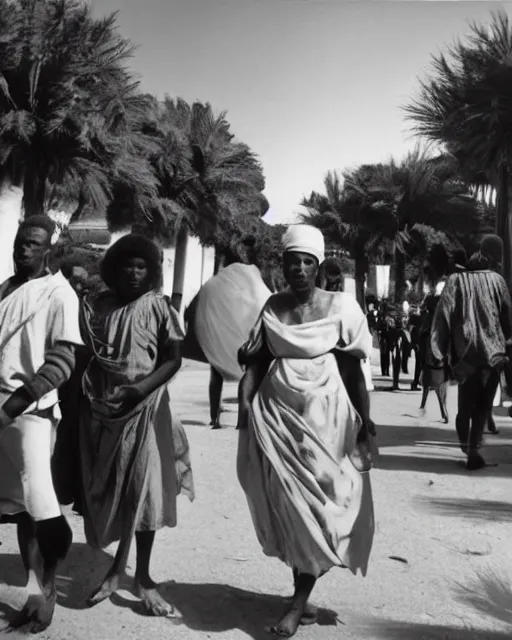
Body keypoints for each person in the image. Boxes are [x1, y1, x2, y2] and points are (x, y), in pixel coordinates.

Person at [236, 224, 375, 638]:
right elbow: (256, 363)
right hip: (278, 417)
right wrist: (245, 406)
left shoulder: (341, 307)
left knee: (321, 502)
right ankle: (300, 595)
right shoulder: (272, 308)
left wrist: (366, 423)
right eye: (291, 261)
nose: (298, 268)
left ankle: (296, 605)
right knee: (288, 503)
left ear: (318, 266)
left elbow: (353, 370)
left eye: (306, 262)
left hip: (326, 418)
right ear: (282, 265)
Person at [78, 234, 194, 615]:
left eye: (140, 266)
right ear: (114, 269)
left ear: (151, 272)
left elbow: (173, 359)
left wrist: (139, 389)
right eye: (126, 265)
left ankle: (140, 576)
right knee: (110, 492)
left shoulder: (160, 308)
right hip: (102, 413)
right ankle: (116, 568)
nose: (132, 272)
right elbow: (87, 354)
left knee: (144, 494)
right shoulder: (101, 306)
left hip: (145, 411)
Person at [0, 215, 82, 632]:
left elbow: (62, 362)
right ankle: (33, 589)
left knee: (41, 506)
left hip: (29, 413)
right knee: (18, 510)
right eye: (20, 242)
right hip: (0, 410)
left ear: (49, 248)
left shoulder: (59, 294)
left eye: (33, 243)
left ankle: (48, 590)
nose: (24, 249)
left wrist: (11, 407)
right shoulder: (7, 289)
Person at [429, 234, 512, 470]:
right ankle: (473, 449)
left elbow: (442, 316)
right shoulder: (498, 281)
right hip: (493, 354)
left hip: (465, 353)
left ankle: (467, 446)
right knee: (484, 406)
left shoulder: (455, 280)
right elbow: (507, 318)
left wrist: (437, 349)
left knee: (465, 406)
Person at [183, 248, 271, 429]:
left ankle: (214, 419)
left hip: (219, 339)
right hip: (244, 337)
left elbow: (193, 307)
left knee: (216, 377)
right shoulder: (250, 280)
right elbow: (264, 304)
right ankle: (241, 419)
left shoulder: (214, 284)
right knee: (247, 377)